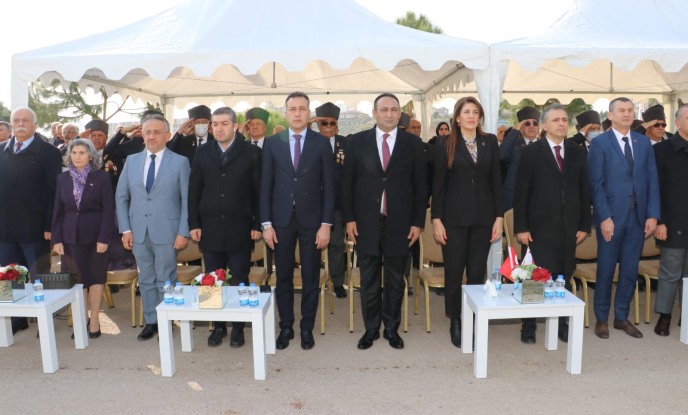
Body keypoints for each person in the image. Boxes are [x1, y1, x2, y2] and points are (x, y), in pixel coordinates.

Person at [342, 93, 426, 350]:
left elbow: (421, 185)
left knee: (394, 280)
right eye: (384, 109)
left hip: (400, 223)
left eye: (394, 109)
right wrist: (349, 218)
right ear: (374, 113)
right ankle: (371, 329)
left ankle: (391, 328)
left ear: (400, 113)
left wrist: (417, 222)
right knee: (368, 279)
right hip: (366, 222)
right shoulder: (357, 142)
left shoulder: (413, 143)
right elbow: (347, 184)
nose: (390, 114)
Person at [260, 92, 335, 351]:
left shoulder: (321, 143)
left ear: (309, 112)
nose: (297, 113)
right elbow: (265, 185)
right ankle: (286, 327)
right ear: (285, 113)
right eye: (292, 108)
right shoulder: (272, 143)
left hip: (312, 221)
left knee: (310, 276)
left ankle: (306, 328)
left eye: (302, 108)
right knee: (282, 276)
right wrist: (266, 224)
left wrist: (326, 224)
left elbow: (330, 187)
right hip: (280, 221)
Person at [513, 104, 591, 344]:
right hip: (537, 227)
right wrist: (521, 227)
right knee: (534, 276)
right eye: (556, 120)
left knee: (563, 274)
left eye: (565, 119)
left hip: (569, 227)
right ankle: (529, 325)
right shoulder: (530, 152)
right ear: (544, 125)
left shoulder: (577, 152)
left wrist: (584, 224)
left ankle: (561, 322)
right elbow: (521, 192)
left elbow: (584, 189)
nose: (561, 124)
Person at [431, 97, 502, 348]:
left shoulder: (489, 141)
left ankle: (472, 316)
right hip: (454, 219)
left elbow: (496, 181)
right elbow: (438, 185)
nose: (471, 116)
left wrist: (499, 217)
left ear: (480, 117)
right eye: (466, 112)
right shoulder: (445, 143)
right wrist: (436, 219)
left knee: (476, 272)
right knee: (453, 272)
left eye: (475, 112)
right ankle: (456, 320)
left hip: (484, 218)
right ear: (457, 118)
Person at [189, 107, 262, 348]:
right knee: (212, 278)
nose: (219, 129)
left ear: (235, 126)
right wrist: (194, 223)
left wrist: (257, 223)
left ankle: (238, 327)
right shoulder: (202, 152)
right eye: (215, 124)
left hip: (240, 226)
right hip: (209, 226)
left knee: (239, 277)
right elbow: (194, 190)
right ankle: (218, 325)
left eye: (224, 124)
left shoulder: (251, 153)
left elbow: (258, 191)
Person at [588, 97, 660, 339]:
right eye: (621, 110)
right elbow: (595, 184)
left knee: (629, 271)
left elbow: (652, 180)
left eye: (630, 110)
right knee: (606, 270)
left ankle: (621, 317)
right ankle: (601, 318)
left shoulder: (643, 142)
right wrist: (604, 217)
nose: (627, 114)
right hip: (612, 218)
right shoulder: (600, 143)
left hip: (638, 218)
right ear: (610, 115)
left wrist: (653, 215)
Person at [115, 113, 190, 341]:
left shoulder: (180, 162)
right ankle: (151, 321)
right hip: (138, 231)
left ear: (168, 135)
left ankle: (168, 319)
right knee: (146, 279)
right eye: (147, 132)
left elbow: (187, 200)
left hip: (167, 231)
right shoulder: (132, 161)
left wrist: (182, 232)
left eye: (157, 132)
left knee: (166, 278)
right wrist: (126, 230)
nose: (151, 136)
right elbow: (121, 197)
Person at [0, 107, 62, 334]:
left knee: (39, 278)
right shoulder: (1, 150)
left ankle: (44, 321)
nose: (20, 123)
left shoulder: (49, 153)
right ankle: (16, 320)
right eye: (16, 120)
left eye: (25, 120)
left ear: (35, 125)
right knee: (9, 277)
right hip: (5, 229)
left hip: (36, 229)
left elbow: (54, 192)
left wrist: (49, 225)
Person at [51, 139, 115, 338]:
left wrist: (104, 238)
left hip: (96, 237)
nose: (77, 157)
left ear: (91, 156)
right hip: (70, 237)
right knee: (78, 281)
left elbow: (108, 210)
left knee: (95, 278)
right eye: (74, 152)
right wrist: (57, 239)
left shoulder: (102, 177)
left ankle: (94, 320)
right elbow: (57, 210)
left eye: (82, 153)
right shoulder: (62, 178)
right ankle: (81, 320)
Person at [652, 104, 688, 336]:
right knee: (670, 272)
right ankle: (664, 316)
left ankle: (687, 315)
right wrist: (660, 221)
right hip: (672, 222)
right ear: (678, 123)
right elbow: (655, 189)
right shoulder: (662, 150)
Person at [313, 102, 348, 299]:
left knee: (336, 245)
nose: (328, 127)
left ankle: (338, 282)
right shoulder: (309, 142)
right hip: (312, 204)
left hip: (337, 205)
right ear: (317, 125)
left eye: (332, 123)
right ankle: (313, 280)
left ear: (337, 126)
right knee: (311, 245)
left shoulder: (346, 144)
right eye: (323, 123)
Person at [500, 106, 541, 213]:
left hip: (538, 203)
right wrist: (514, 131)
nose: (531, 126)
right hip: (513, 202)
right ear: (520, 127)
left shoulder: (545, 146)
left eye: (535, 123)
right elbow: (501, 155)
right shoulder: (513, 145)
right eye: (527, 123)